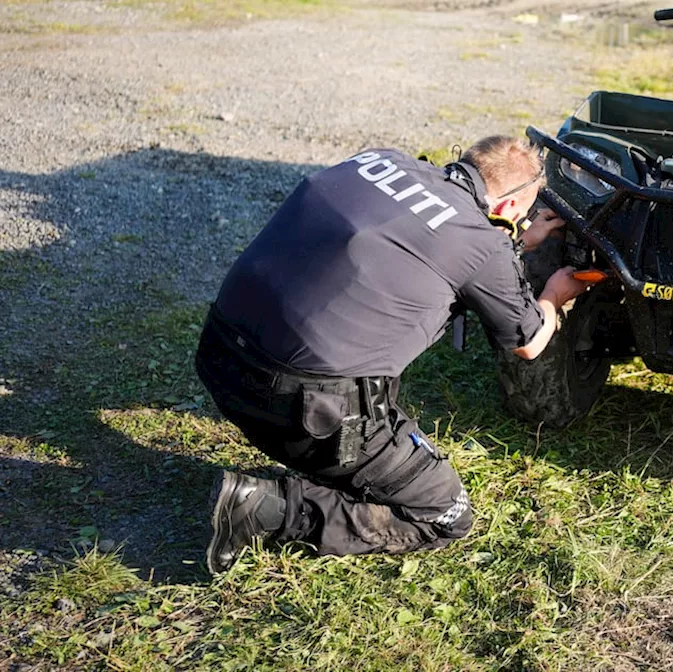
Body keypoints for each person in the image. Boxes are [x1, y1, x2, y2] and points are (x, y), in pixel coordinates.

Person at [194, 136, 589, 574]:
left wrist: (512, 245)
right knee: (446, 513)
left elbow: (434, 235)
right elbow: (529, 341)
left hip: (219, 357)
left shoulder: (378, 161)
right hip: (302, 410)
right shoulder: (484, 244)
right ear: (511, 210)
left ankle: (314, 472)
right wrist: (554, 294)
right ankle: (268, 509)